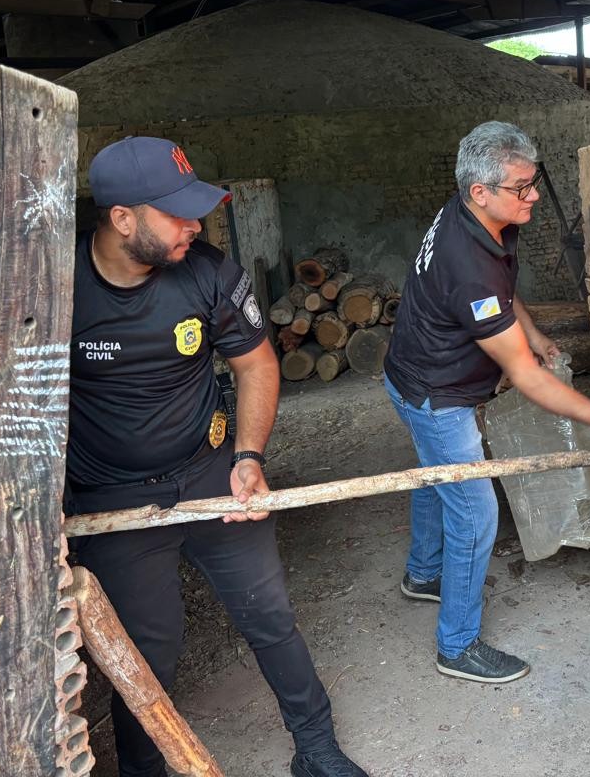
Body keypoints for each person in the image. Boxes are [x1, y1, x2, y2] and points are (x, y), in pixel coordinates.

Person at [66, 136, 367, 777]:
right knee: (145, 653)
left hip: (210, 473)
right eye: (175, 214)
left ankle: (316, 746)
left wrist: (249, 455)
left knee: (269, 615)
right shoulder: (56, 289)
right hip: (111, 497)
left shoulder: (207, 271)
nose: (194, 226)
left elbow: (257, 365)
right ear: (124, 219)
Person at [383, 121, 590, 684]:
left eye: (533, 181)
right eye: (522, 187)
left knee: (435, 476)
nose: (534, 195)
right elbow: (520, 372)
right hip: (435, 396)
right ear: (481, 190)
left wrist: (534, 329)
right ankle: (457, 645)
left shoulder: (479, 218)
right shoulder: (465, 260)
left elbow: (503, 289)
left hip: (410, 376)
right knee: (475, 513)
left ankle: (423, 575)